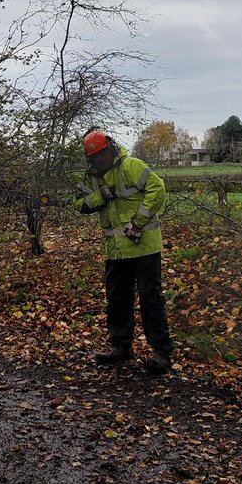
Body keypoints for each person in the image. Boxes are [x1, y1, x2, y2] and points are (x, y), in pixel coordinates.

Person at [73, 130, 174, 374]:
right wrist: (100, 196)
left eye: (103, 154)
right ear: (91, 158)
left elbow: (157, 189)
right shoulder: (92, 178)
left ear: (111, 149)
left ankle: (161, 353)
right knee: (117, 298)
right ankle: (121, 346)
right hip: (116, 250)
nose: (101, 159)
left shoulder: (131, 166)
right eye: (96, 157)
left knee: (150, 297)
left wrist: (138, 222)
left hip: (144, 246)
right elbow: (79, 204)